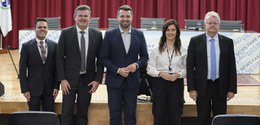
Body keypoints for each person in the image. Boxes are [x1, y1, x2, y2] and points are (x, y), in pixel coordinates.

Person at [100, 5, 149, 125]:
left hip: (132, 82)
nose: (125, 19)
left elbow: (144, 56)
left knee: (131, 114)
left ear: (132, 17)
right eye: (122, 16)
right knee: (114, 114)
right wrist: (117, 70)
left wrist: (136, 65)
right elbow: (103, 58)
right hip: (114, 82)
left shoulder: (139, 34)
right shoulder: (109, 34)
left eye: (128, 16)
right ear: (117, 17)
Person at [187, 11, 237, 125]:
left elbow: (232, 67)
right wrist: (191, 88)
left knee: (220, 119)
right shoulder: (195, 41)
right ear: (205, 25)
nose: (212, 25)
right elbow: (189, 66)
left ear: (219, 25)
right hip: (202, 87)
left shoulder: (228, 42)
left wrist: (232, 88)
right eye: (210, 23)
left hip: (221, 86)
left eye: (215, 23)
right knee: (202, 118)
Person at [56, 5, 103, 125]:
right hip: (69, 81)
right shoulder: (65, 33)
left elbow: (101, 60)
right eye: (80, 15)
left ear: (90, 17)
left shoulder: (97, 35)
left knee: (82, 114)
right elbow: (59, 58)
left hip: (87, 82)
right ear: (75, 17)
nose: (83, 18)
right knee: (66, 113)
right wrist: (62, 79)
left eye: (85, 16)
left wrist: (97, 80)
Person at [146, 19, 186, 125]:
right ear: (164, 32)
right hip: (160, 84)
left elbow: (188, 69)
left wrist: (179, 74)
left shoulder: (183, 50)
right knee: (159, 117)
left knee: (175, 117)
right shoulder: (156, 50)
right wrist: (160, 73)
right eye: (168, 30)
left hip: (176, 85)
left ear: (177, 32)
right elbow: (149, 68)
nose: (170, 32)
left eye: (173, 30)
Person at [19, 18, 59, 111]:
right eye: (39, 27)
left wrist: (56, 86)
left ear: (48, 29)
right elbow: (22, 70)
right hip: (33, 90)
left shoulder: (55, 46)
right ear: (34, 29)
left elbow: (57, 69)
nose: (42, 29)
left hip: (50, 90)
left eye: (44, 27)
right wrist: (24, 89)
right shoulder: (26, 46)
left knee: (48, 117)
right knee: (33, 118)